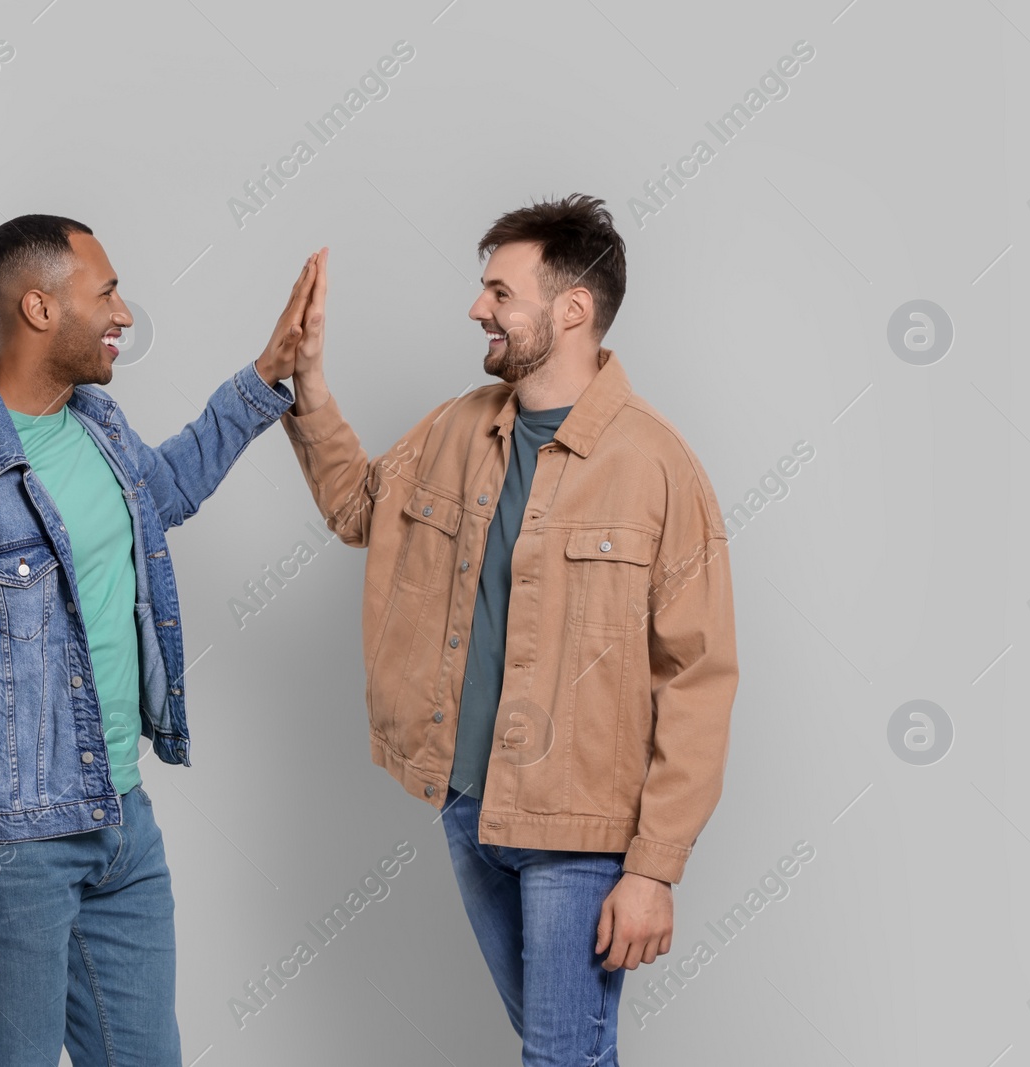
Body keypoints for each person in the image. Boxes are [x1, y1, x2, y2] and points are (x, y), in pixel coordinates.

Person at [279, 196, 738, 1065]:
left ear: (572, 309)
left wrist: (652, 868)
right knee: (565, 1048)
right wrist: (310, 386)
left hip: (581, 831)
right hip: (467, 804)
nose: (477, 308)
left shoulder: (656, 466)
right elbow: (360, 508)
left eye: (500, 290)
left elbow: (699, 677)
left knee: (562, 1056)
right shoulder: (461, 427)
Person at [0, 213, 318, 1065]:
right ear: (39, 307)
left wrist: (266, 377)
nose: (125, 314)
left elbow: (164, 492)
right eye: (106, 292)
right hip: (10, 855)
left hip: (122, 825)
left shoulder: (98, 425)